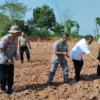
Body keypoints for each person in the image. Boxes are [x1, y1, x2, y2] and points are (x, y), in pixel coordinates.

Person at [0, 25, 21, 94]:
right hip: (3, 61)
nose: (18, 33)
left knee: (10, 75)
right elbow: (0, 50)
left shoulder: (16, 38)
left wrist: (16, 56)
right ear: (12, 32)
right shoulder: (5, 38)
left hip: (11, 61)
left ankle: (10, 89)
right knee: (3, 76)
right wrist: (6, 59)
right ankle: (3, 89)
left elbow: (14, 49)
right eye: (16, 32)